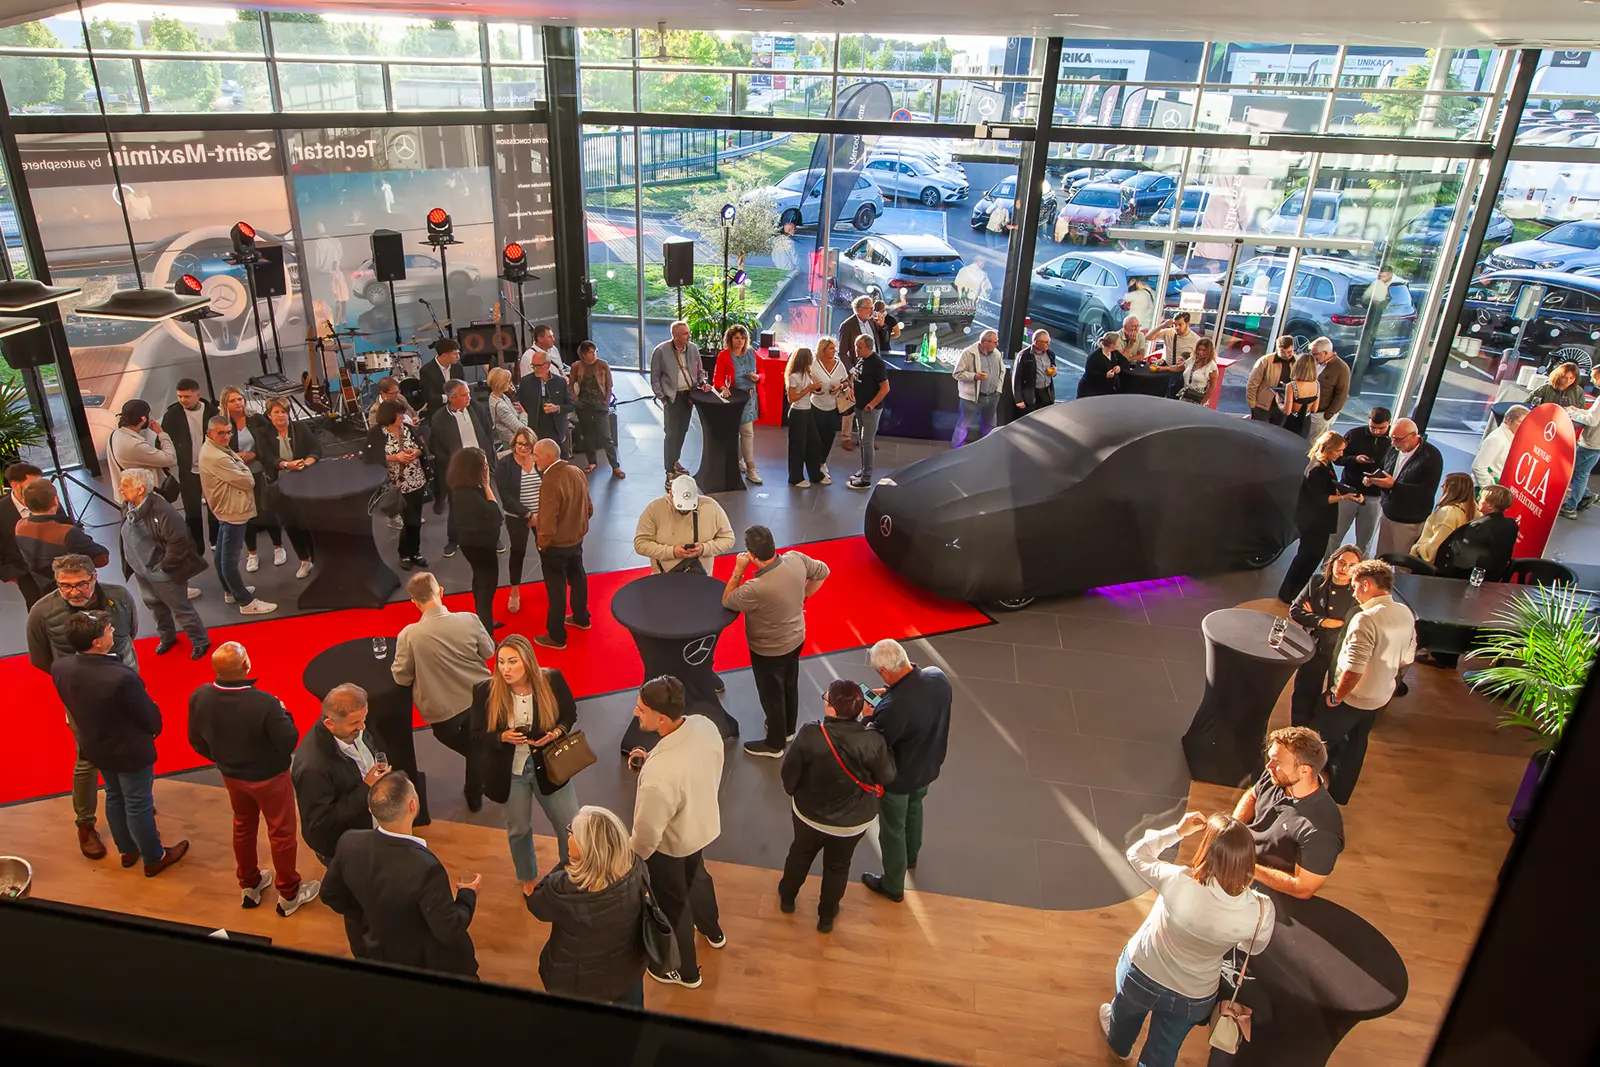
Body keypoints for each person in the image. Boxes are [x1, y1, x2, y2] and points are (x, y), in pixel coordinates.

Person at [1100, 812, 1275, 1067]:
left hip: (1143, 972)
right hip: (1194, 995)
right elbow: (1252, 948)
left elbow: (1136, 853)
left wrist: (1178, 831)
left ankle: (1119, 1046)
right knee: (1164, 1051)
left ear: (1207, 852)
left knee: (1124, 1016)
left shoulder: (1178, 879)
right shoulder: (1261, 910)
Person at [51, 611, 189, 876]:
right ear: (97, 643)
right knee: (138, 802)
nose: (112, 631)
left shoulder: (61, 667)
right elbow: (146, 714)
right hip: (128, 748)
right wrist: (155, 725)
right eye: (108, 630)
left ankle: (127, 849)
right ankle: (154, 857)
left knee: (114, 796)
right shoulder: (120, 676)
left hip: (95, 743)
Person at [188, 641, 320, 915]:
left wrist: (222, 760)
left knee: (243, 826)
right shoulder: (265, 703)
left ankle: (250, 883)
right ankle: (290, 892)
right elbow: (289, 741)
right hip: (270, 777)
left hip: (232, 776)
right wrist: (285, 713)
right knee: (281, 833)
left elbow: (196, 740)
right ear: (247, 665)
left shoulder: (199, 696)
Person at [27, 553, 138, 860]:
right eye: (65, 586)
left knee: (131, 748)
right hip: (82, 703)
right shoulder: (42, 612)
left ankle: (136, 800)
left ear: (94, 578)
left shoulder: (119, 597)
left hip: (126, 692)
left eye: (80, 584)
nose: (74, 591)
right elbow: (41, 659)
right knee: (87, 760)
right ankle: (85, 825)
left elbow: (130, 635)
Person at [320, 771, 480, 978]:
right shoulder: (426, 868)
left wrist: (367, 916)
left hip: (373, 951)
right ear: (412, 806)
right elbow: (448, 929)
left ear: (371, 810)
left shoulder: (349, 842)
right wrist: (468, 894)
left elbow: (329, 893)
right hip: (423, 961)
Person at [628, 675, 727, 989]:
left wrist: (633, 859)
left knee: (673, 906)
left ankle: (686, 972)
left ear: (660, 718)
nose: (634, 712)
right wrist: (650, 763)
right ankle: (713, 931)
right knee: (698, 877)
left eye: (641, 709)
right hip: (700, 827)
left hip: (669, 847)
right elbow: (691, 771)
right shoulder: (704, 725)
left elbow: (646, 834)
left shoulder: (660, 774)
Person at [778, 680, 896, 933]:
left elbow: (789, 773)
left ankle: (787, 898)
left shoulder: (811, 734)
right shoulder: (873, 740)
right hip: (852, 822)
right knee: (838, 866)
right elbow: (886, 776)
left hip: (809, 814)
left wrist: (794, 793)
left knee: (800, 854)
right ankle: (827, 917)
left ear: (831, 709)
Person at [468, 634, 581, 892]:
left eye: (512, 662)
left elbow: (569, 714)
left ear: (528, 662)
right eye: (501, 662)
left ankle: (572, 873)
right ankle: (528, 878)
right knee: (518, 829)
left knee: (570, 825)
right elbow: (475, 735)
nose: (505, 669)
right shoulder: (484, 691)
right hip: (511, 773)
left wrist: (555, 733)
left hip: (550, 767)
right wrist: (501, 737)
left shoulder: (552, 680)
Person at [1312, 560, 1415, 805]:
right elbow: (1407, 657)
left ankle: (1299, 792)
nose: (1354, 592)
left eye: (1356, 586)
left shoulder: (1365, 619)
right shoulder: (1405, 612)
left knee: (1314, 742)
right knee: (1356, 744)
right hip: (1380, 697)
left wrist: (1337, 695)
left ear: (1367, 585)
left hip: (1353, 698)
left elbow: (1353, 670)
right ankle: (1339, 795)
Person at [723, 525, 830, 758]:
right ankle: (788, 729)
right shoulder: (796, 559)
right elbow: (823, 571)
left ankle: (775, 744)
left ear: (751, 554)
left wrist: (738, 570)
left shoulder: (756, 587)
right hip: (796, 638)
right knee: (790, 683)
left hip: (768, 649)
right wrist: (804, 595)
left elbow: (728, 601)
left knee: (771, 694)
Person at [525, 805, 649, 1006]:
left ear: (587, 850)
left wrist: (567, 863)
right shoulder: (637, 870)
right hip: (627, 969)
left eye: (572, 833)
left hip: (577, 979)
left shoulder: (562, 888)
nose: (569, 837)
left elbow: (536, 905)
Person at [392, 572, 494, 811]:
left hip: (443, 713)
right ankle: (477, 788)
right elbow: (488, 652)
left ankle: (480, 772)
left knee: (473, 747)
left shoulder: (409, 635)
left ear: (414, 602)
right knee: (479, 746)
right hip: (483, 698)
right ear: (441, 591)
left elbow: (401, 677)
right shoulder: (469, 619)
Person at [859, 639, 952, 903]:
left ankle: (892, 884)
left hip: (898, 778)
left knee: (892, 829)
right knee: (915, 809)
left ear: (885, 673)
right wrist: (890, 693)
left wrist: (868, 716)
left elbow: (876, 742)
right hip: (928, 765)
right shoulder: (938, 678)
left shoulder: (893, 708)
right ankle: (911, 857)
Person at [1234, 726, 1344, 898]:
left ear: (1305, 770)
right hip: (1239, 862)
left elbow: (1302, 888)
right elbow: (1253, 794)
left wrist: (1245, 867)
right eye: (1270, 758)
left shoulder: (1321, 829)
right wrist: (1233, 828)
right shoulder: (1277, 776)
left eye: (1277, 762)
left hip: (1266, 892)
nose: (1269, 766)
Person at [291, 683, 391, 864]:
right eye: (355, 723)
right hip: (343, 849)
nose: (362, 727)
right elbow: (321, 824)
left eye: (364, 718)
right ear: (330, 723)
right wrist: (366, 788)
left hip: (367, 830)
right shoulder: (312, 769)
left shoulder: (352, 727)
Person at [117, 468, 208, 660]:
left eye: (124, 485)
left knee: (181, 609)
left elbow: (179, 541)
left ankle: (200, 641)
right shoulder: (128, 504)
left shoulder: (163, 510)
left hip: (160, 570)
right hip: (141, 568)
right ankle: (167, 637)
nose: (120, 489)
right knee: (154, 605)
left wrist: (165, 566)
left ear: (140, 489)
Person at [200, 415, 277, 615]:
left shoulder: (213, 448)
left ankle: (231, 591)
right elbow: (247, 480)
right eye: (221, 433)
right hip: (232, 509)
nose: (226, 436)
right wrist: (242, 466)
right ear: (209, 433)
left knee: (221, 555)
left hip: (225, 507)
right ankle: (246, 602)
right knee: (229, 559)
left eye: (228, 432)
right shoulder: (218, 457)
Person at [1277, 432, 1363, 604]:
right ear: (1328, 449)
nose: (1341, 455)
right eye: (1338, 451)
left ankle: (1292, 593)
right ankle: (1289, 594)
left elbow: (1326, 488)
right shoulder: (1317, 469)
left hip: (1317, 521)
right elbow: (1320, 499)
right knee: (1307, 558)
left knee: (1308, 557)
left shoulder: (1324, 464)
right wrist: (1344, 497)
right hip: (1314, 522)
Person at [1288, 545, 1363, 728]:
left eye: (1351, 565)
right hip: (1315, 645)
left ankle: (1324, 732)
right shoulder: (1317, 582)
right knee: (1305, 691)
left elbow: (1354, 623)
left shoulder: (1358, 592)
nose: (1344, 569)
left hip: (1341, 650)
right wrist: (1324, 621)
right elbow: (1295, 611)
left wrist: (1312, 617)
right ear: (1333, 561)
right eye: (1341, 562)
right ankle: (1298, 732)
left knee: (1335, 692)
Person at [533, 437, 593, 650]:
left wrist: (542, 543)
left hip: (556, 547)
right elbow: (589, 506)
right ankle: (581, 617)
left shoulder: (550, 481)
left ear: (548, 457)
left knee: (556, 589)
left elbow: (548, 519)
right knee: (578, 578)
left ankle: (557, 636)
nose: (534, 459)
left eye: (536, 455)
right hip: (576, 540)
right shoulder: (576, 472)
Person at [430, 380, 496, 559]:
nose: (469, 397)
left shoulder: (475, 407)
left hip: (480, 463)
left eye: (468, 393)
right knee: (456, 503)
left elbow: (487, 430)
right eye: (465, 394)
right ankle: (454, 539)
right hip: (458, 468)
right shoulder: (439, 418)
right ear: (452, 397)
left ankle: (492, 536)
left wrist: (488, 454)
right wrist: (453, 462)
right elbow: (437, 447)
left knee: (486, 499)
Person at [216, 385, 279, 573]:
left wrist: (255, 454)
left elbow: (270, 442)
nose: (238, 403)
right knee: (245, 514)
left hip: (259, 471)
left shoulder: (257, 419)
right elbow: (218, 449)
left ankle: (278, 547)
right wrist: (236, 456)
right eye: (233, 401)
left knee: (267, 511)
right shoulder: (222, 425)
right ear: (225, 404)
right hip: (237, 475)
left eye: (240, 399)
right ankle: (252, 553)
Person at [259, 397, 320, 580]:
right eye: (276, 412)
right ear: (269, 416)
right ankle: (304, 560)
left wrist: (307, 462)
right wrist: (286, 464)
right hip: (280, 488)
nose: (281, 416)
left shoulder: (300, 428)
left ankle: (319, 560)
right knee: (291, 525)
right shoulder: (263, 434)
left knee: (310, 524)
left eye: (284, 411)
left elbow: (316, 449)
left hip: (305, 484)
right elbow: (266, 457)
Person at [1366, 417, 1443, 558]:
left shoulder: (1431, 456)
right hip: (1388, 512)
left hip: (1409, 520)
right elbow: (1384, 468)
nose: (1394, 443)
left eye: (1399, 439)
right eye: (1392, 438)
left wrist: (1394, 486)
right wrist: (1373, 478)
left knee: (1402, 561)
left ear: (1414, 435)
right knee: (1382, 557)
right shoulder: (1394, 449)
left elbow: (1426, 492)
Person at [446, 448, 504, 635]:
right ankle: (486, 631)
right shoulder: (468, 494)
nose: (487, 467)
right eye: (485, 464)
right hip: (480, 546)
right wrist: (487, 486)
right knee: (487, 585)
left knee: (480, 580)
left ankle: (484, 620)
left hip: (473, 544)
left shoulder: (462, 489)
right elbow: (496, 514)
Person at [15, 478, 109, 590]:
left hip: (45, 589)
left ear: (25, 503)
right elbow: (102, 558)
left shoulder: (20, 526)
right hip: (76, 590)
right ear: (55, 500)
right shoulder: (67, 532)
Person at [634, 474, 735, 575]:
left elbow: (728, 539)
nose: (685, 511)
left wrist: (705, 549)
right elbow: (640, 544)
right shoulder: (655, 509)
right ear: (671, 494)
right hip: (664, 577)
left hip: (701, 578)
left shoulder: (712, 507)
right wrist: (672, 552)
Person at [162, 378, 219, 557]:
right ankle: (196, 547)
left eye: (187, 396)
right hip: (188, 471)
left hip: (210, 468)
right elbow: (163, 440)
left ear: (197, 395)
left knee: (214, 506)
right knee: (192, 510)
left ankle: (216, 541)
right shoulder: (172, 415)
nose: (183, 400)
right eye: (180, 396)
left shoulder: (212, 411)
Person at [374, 399, 429, 570]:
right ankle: (405, 553)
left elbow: (422, 446)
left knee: (416, 519)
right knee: (409, 520)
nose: (402, 417)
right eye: (399, 414)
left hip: (417, 480)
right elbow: (370, 457)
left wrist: (416, 452)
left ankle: (415, 552)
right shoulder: (378, 434)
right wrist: (395, 458)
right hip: (397, 484)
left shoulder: (408, 429)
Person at [649, 320, 707, 480]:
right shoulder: (660, 351)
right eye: (685, 334)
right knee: (671, 434)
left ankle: (675, 461)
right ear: (675, 336)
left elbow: (700, 371)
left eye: (688, 332)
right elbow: (654, 377)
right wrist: (663, 398)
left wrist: (703, 383)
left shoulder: (693, 349)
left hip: (689, 397)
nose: (689, 336)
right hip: (671, 398)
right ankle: (669, 471)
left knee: (682, 431)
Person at [1426, 484, 1519, 581]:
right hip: (1493, 579)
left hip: (1463, 581)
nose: (1478, 499)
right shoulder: (1511, 524)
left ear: (1490, 505)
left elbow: (1462, 561)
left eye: (1481, 498)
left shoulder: (1477, 527)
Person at [494, 426, 541, 611]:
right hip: (517, 517)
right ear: (514, 443)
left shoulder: (539, 460)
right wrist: (528, 515)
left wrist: (540, 515)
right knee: (518, 552)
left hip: (541, 515)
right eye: (519, 443)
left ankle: (552, 587)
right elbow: (506, 498)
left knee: (546, 551)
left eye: (527, 445)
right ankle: (514, 591)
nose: (522, 448)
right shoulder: (504, 464)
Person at [1335, 406, 1392, 553]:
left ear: (1389, 423)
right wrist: (1355, 459)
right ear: (1368, 420)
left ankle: (1360, 571)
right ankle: (1327, 568)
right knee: (1335, 535)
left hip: (1375, 496)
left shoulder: (1393, 441)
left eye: (1381, 428)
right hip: (1349, 492)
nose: (1377, 431)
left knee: (1365, 541)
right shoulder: (1354, 434)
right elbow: (1337, 458)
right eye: (1373, 427)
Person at [714, 325, 763, 485]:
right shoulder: (724, 356)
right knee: (736, 432)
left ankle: (750, 468)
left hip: (749, 398)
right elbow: (718, 380)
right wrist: (723, 388)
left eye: (742, 338)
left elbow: (763, 374)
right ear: (730, 339)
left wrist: (758, 377)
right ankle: (740, 462)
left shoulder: (751, 353)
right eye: (736, 338)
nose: (740, 341)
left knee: (747, 432)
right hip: (734, 400)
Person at [104, 398, 177, 502]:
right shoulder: (134, 445)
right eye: (150, 415)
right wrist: (162, 434)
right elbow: (171, 459)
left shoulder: (115, 434)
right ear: (143, 419)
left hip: (129, 496)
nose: (151, 419)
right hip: (144, 500)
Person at [569, 341, 624, 478]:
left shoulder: (602, 364)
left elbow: (609, 384)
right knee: (588, 435)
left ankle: (615, 466)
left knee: (606, 436)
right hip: (583, 405)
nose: (594, 355)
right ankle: (592, 462)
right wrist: (576, 400)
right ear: (583, 354)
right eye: (590, 353)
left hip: (600, 404)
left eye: (595, 352)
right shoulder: (576, 366)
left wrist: (606, 400)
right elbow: (571, 385)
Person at [846, 334, 889, 491]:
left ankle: (866, 479)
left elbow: (885, 388)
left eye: (859, 347)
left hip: (870, 409)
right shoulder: (861, 359)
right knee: (862, 441)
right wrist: (851, 388)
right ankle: (863, 470)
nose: (856, 350)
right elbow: (857, 377)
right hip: (860, 406)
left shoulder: (877, 364)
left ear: (869, 348)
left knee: (866, 441)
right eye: (856, 346)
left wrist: (871, 405)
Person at [1407, 472, 1477, 566]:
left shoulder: (1448, 513)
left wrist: (1417, 549)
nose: (1442, 486)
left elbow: (1434, 548)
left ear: (1452, 489)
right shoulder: (1472, 510)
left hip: (1429, 565)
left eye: (1445, 484)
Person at [0, 462, 44, 608]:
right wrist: (9, 573)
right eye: (31, 485)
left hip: (55, 565)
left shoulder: (45, 498)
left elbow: (65, 524)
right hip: (25, 573)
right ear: (15, 485)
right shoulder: (2, 511)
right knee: (37, 608)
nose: (38, 489)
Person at [516, 345, 573, 456]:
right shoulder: (525, 382)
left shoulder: (560, 382)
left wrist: (557, 408)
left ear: (548, 365)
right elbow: (520, 404)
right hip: (534, 430)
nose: (536, 369)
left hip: (555, 430)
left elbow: (570, 405)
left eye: (539, 366)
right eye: (533, 366)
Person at [952, 329, 1003, 447]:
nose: (997, 345)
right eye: (995, 342)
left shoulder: (997, 353)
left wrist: (998, 389)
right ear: (985, 342)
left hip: (992, 397)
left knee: (990, 426)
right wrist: (974, 376)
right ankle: (956, 450)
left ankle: (988, 449)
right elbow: (957, 374)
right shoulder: (968, 353)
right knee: (963, 425)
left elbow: (1002, 372)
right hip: (972, 399)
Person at [808, 337, 848, 480]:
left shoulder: (839, 364)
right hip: (816, 406)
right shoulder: (813, 364)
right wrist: (813, 390)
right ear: (823, 349)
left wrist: (840, 386)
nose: (834, 351)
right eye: (831, 348)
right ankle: (813, 464)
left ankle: (822, 462)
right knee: (815, 438)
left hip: (833, 407)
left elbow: (846, 381)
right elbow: (806, 383)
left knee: (829, 437)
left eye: (834, 348)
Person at [784, 346, 824, 487]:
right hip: (798, 413)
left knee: (815, 443)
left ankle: (815, 474)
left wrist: (814, 391)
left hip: (808, 411)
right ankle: (795, 477)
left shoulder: (807, 373)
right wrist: (809, 389)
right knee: (798, 447)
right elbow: (792, 398)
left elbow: (805, 391)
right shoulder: (793, 376)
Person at [1562, 387, 1599, 518]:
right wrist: (1577, 410)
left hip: (1590, 444)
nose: (1592, 379)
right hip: (1595, 445)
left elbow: (1592, 420)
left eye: (1595, 377)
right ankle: (1586, 495)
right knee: (1580, 473)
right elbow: (1593, 414)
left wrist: (1570, 414)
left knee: (1574, 473)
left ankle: (1571, 507)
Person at [1305, 336, 1351, 442]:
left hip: (1321, 414)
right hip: (1307, 411)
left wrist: (1328, 415)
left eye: (1315, 354)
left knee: (1311, 444)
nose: (1312, 356)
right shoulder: (1314, 362)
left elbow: (1342, 394)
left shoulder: (1341, 368)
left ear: (1325, 353)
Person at [1473, 405, 1528, 491]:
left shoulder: (1516, 438)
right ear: (1508, 421)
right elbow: (1478, 467)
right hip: (1484, 491)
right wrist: (1491, 489)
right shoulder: (1496, 439)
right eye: (1520, 422)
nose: (1524, 426)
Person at [1245, 336, 1297, 422]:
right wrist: (1252, 404)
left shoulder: (1297, 362)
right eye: (1283, 352)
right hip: (1262, 406)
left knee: (1276, 433)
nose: (1286, 355)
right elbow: (1253, 383)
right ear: (1277, 350)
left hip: (1283, 406)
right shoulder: (1265, 361)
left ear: (1293, 348)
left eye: (1289, 352)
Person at [418, 336, 462, 424]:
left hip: (458, 410)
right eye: (455, 354)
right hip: (438, 413)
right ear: (444, 355)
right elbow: (429, 397)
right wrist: (449, 398)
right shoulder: (427, 371)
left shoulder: (458, 367)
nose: (458, 357)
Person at [1014, 328, 1063, 406]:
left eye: (1049, 341)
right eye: (1046, 342)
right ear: (1036, 342)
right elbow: (1017, 378)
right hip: (1031, 394)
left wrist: (1054, 372)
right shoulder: (1024, 355)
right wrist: (1019, 399)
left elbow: (1053, 368)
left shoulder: (1050, 354)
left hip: (1046, 393)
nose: (1048, 344)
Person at [485, 366, 527, 457]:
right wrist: (524, 413)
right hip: (510, 443)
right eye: (508, 381)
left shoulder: (498, 396)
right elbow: (520, 428)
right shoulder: (500, 406)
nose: (510, 383)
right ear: (501, 383)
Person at [1279, 353, 1320, 437]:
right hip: (1306, 421)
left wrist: (1279, 402)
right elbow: (1314, 409)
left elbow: (1287, 411)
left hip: (1292, 422)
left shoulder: (1292, 385)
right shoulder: (1317, 384)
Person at [1175, 336, 1218, 404]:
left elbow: (1212, 387)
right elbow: (1179, 368)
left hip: (1198, 399)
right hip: (1185, 396)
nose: (1200, 352)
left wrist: (1202, 403)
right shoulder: (1192, 359)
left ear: (1209, 351)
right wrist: (1163, 368)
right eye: (1199, 349)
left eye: (1204, 350)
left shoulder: (1212, 366)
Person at [837, 294, 877, 367]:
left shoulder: (873, 321)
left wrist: (882, 326)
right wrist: (852, 370)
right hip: (858, 368)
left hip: (875, 366)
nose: (872, 311)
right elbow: (842, 353)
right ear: (859, 309)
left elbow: (885, 340)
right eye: (869, 308)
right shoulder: (847, 325)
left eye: (872, 308)